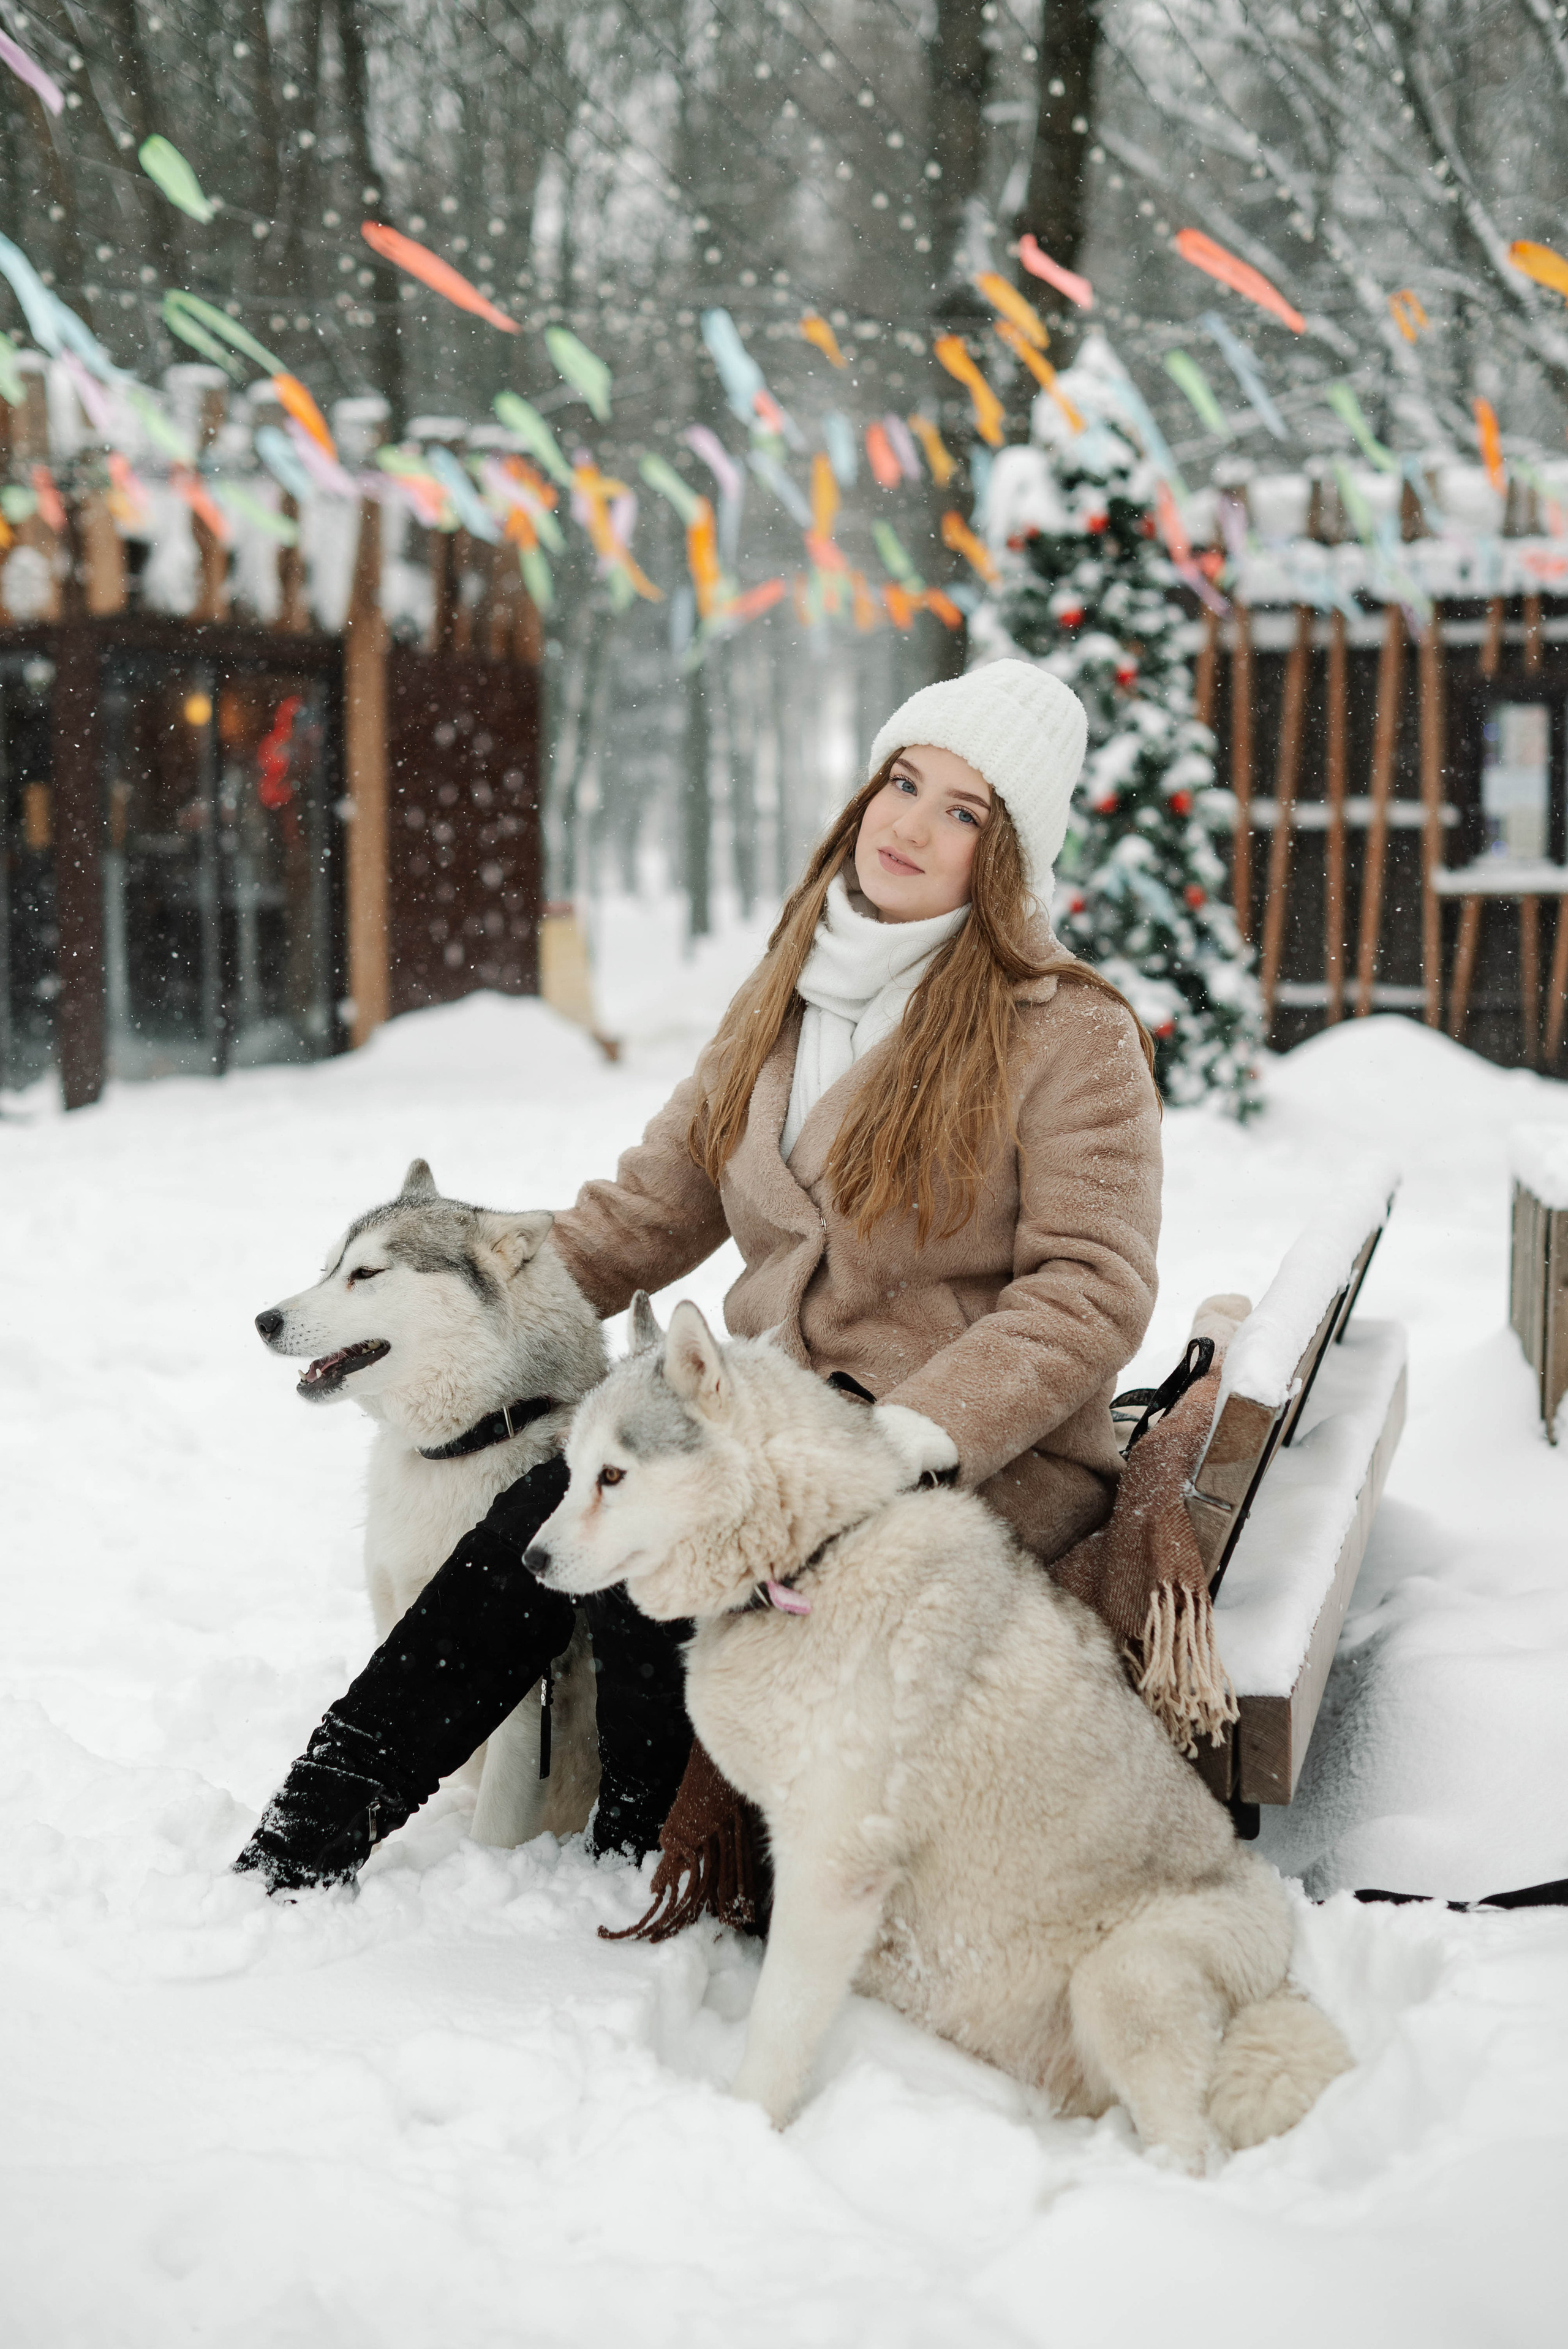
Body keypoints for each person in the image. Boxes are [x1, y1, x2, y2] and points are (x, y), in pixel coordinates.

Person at [235, 660, 1163, 1894]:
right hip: (755, 1419)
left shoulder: (1064, 1030)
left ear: (1004, 858)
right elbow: (656, 1202)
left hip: (956, 1462)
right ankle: (312, 1834)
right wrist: (487, 1294)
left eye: (962, 813)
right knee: (539, 1520)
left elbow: (1086, 1290)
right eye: (903, 781)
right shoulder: (788, 985)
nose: (909, 825)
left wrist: (911, 1435)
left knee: (637, 1535)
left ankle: (642, 1859)